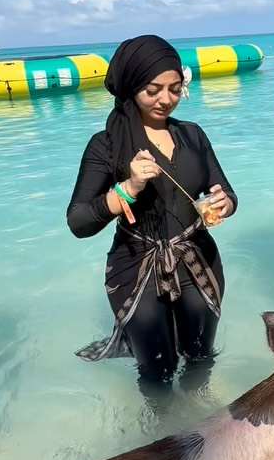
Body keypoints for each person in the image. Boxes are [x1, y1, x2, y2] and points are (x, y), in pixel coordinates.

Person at [67, 34, 237, 389]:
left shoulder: (193, 136)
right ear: (131, 87)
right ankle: (160, 436)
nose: (166, 99)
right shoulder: (107, 145)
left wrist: (225, 202)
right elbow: (78, 220)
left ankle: (199, 428)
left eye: (175, 89)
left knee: (200, 359)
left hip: (198, 261)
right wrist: (127, 189)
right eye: (153, 89)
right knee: (156, 371)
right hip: (136, 266)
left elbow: (224, 189)